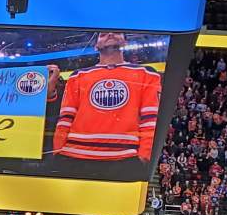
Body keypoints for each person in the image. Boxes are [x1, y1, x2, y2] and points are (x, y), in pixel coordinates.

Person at [51, 32, 163, 171]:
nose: (110, 34)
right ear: (95, 45)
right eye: (103, 34)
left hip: (125, 159)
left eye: (116, 32)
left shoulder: (146, 73)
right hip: (73, 156)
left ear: (125, 42)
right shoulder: (78, 76)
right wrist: (58, 151)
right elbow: (65, 118)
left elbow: (151, 119)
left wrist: (144, 157)